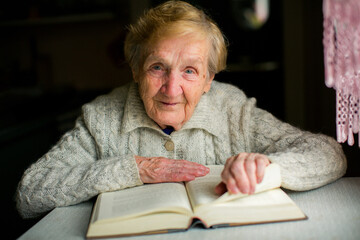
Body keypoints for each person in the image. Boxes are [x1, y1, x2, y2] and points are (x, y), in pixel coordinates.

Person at [16, 0, 346, 219]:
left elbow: (330, 155)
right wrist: (134, 169)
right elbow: (29, 194)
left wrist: (267, 169)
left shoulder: (231, 109)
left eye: (190, 71)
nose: (172, 89)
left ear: (208, 79)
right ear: (135, 70)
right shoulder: (103, 118)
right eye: (157, 67)